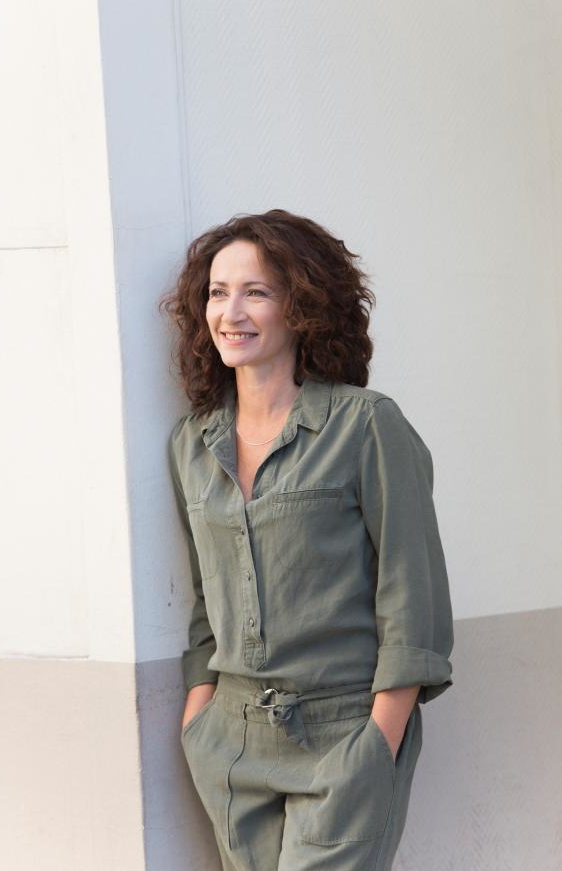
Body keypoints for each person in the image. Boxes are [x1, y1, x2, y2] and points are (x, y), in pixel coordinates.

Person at [163, 209, 453, 871]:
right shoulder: (192, 444)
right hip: (230, 745)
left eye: (256, 292)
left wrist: (377, 742)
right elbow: (208, 597)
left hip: (342, 734)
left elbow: (412, 592)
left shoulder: (365, 426)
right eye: (217, 292)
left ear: (301, 308)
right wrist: (199, 719)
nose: (231, 312)